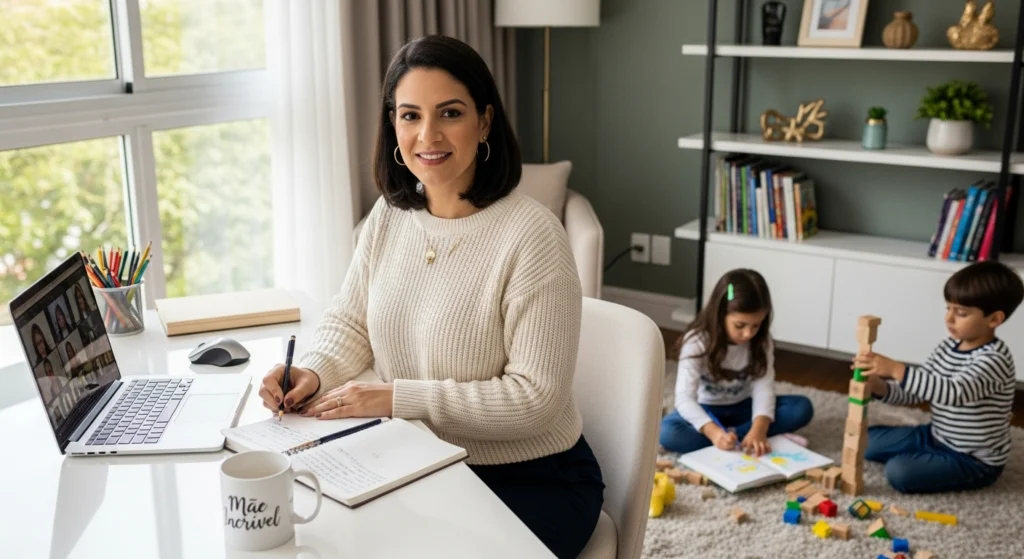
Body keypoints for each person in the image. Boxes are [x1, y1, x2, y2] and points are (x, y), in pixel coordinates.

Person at [256, 35, 602, 558]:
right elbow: (351, 320)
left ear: (485, 122)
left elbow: (535, 399)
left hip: (532, 479)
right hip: (419, 459)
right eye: (411, 115)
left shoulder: (533, 236)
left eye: (450, 113)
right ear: (393, 125)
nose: (428, 135)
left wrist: (397, 398)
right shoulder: (390, 214)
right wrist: (313, 372)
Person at [855, 260, 1022, 494]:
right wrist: (880, 386)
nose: (949, 318)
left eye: (961, 313)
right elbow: (917, 391)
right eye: (948, 309)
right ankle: (927, 457)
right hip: (935, 435)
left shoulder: (994, 360)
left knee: (899, 472)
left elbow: (952, 392)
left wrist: (896, 370)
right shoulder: (947, 347)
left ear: (993, 319)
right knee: (866, 441)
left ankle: (930, 463)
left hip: (972, 459)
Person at [660, 269, 814, 456]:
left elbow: (763, 388)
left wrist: (759, 429)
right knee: (667, 432)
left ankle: (739, 438)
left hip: (743, 407)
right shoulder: (697, 342)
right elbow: (684, 398)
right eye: (740, 325)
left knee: (801, 408)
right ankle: (740, 438)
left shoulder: (761, 342)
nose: (748, 334)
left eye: (756, 325)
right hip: (707, 409)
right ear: (720, 315)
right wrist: (713, 432)